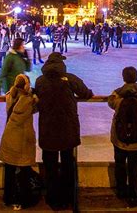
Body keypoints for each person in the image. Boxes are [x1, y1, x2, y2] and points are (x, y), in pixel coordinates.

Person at [34, 52, 93, 210]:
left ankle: (53, 199)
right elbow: (85, 92)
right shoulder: (70, 79)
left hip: (48, 129)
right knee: (68, 164)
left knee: (51, 166)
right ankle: (68, 197)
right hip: (67, 129)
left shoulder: (40, 81)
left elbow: (36, 99)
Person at [108, 67, 137, 207]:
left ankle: (121, 191)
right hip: (136, 138)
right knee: (134, 167)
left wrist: (119, 91)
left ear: (123, 78)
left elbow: (111, 103)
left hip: (119, 138)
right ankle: (134, 194)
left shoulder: (118, 95)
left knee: (120, 164)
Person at [0, 74, 39, 210]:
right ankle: (24, 199)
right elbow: (36, 107)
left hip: (9, 135)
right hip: (22, 139)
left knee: (9, 168)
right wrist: (34, 96)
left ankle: (8, 197)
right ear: (26, 86)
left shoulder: (10, 96)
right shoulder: (28, 102)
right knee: (24, 169)